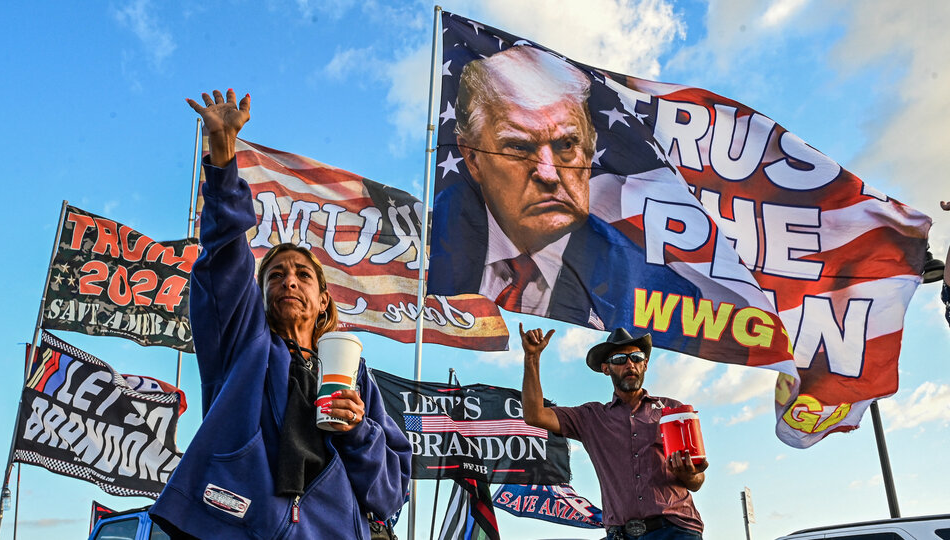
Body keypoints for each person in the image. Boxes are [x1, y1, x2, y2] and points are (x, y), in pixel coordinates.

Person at [149, 89, 411, 539]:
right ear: (260, 292)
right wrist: (223, 157)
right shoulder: (244, 343)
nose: (289, 281)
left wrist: (357, 430)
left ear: (324, 300)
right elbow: (225, 254)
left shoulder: (357, 376)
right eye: (276, 275)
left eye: (303, 275)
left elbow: (389, 495)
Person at [428, 45, 700, 336]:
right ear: (472, 157)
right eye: (519, 146)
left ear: (589, 149)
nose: (548, 174)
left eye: (567, 145)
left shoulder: (661, 293)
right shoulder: (425, 240)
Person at [520, 324, 707, 539]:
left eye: (636, 357)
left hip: (675, 530)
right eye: (619, 359)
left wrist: (689, 474)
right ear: (606, 368)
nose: (630, 364)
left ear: (645, 364)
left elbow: (697, 482)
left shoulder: (672, 411)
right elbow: (535, 415)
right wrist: (532, 357)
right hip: (620, 533)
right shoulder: (591, 418)